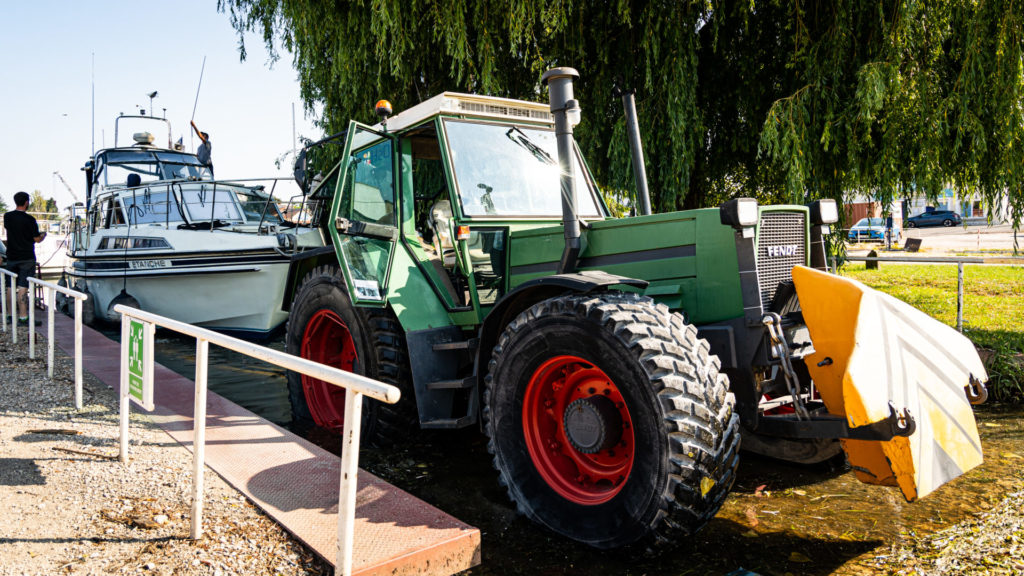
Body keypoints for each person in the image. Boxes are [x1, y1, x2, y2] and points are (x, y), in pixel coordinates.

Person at [3, 191, 46, 326]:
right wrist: (43, 235)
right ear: (26, 202)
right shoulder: (30, 220)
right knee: (23, 286)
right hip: (26, 258)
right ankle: (23, 318)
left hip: (11, 257)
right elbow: (36, 239)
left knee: (10, 286)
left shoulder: (7, 216)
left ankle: (10, 316)